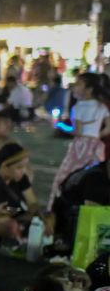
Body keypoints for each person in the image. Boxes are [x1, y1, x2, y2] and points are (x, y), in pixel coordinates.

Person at [49, 72, 109, 207]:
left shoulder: (78, 107)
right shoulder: (102, 106)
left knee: (65, 177)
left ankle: (57, 208)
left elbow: (77, 131)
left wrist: (59, 124)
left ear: (89, 89)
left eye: (78, 84)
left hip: (80, 147)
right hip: (97, 147)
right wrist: (96, 136)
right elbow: (108, 129)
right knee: (93, 178)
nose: (74, 86)